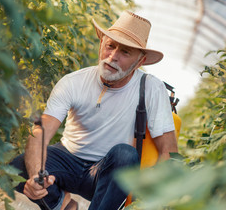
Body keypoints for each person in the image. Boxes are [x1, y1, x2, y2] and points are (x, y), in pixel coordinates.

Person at [11, 11, 179, 210]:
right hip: (68, 161)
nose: (113, 57)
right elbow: (41, 131)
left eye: (125, 52)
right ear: (101, 43)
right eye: (110, 46)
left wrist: (151, 200)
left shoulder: (151, 87)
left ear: (140, 61)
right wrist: (36, 177)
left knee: (125, 154)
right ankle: (63, 204)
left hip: (106, 174)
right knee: (18, 167)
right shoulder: (73, 82)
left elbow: (168, 151)